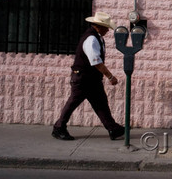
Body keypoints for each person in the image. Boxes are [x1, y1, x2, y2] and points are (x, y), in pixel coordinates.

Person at [52, 11, 124, 141]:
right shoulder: (91, 39)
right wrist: (110, 76)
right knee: (73, 103)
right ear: (98, 26)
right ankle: (59, 127)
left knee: (101, 103)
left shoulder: (97, 37)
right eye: (106, 27)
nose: (108, 30)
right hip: (83, 79)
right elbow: (96, 62)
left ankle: (113, 128)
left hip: (92, 79)